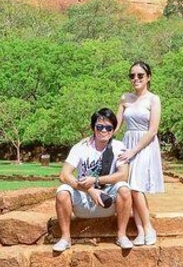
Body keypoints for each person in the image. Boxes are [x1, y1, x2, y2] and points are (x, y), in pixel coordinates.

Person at [53, 108, 133, 252]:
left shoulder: (118, 147)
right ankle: (65, 238)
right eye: (99, 127)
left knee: (124, 188)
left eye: (109, 127)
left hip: (107, 201)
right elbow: (64, 175)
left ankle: (121, 235)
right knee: (62, 192)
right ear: (93, 128)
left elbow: (123, 175)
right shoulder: (80, 147)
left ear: (113, 130)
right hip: (83, 200)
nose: (104, 131)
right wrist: (90, 190)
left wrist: (96, 180)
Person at [117, 61, 164, 246]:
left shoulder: (153, 99)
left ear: (148, 77)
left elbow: (153, 130)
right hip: (127, 142)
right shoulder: (125, 98)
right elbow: (116, 125)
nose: (135, 79)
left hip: (144, 145)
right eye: (132, 76)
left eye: (140, 75)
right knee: (130, 187)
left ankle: (148, 227)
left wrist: (133, 151)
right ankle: (141, 231)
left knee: (136, 187)